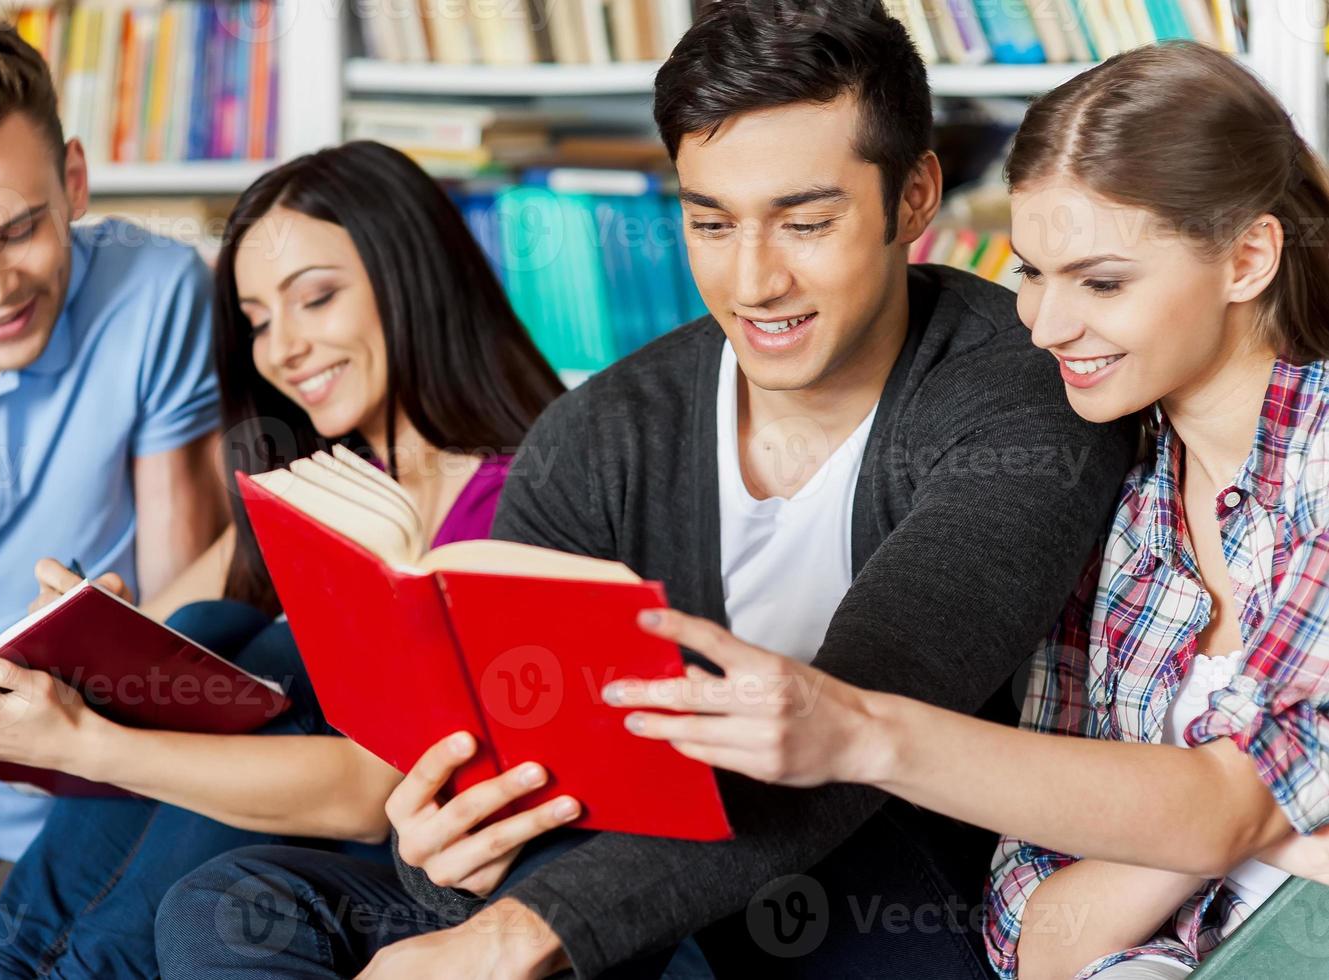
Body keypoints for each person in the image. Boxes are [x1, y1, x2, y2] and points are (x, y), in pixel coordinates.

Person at [153, 3, 1136, 977]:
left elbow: (860, 722)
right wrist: (450, 852)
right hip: (604, 864)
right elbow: (510, 754)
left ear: (915, 197)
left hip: (862, 883)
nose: (754, 282)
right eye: (711, 221)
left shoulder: (1024, 389)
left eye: (805, 221)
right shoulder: (603, 431)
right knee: (234, 903)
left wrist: (509, 934)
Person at [598, 41, 1329, 980]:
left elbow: (1228, 803)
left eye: (1101, 281)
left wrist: (857, 731)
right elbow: (1032, 936)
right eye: (1031, 272)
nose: (1045, 324)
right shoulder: (1119, 488)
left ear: (1247, 258)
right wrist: (1236, 839)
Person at [0, 139, 566, 979]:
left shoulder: (531, 496)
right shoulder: (327, 482)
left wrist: (82, 743)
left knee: (283, 656)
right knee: (213, 627)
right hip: (131, 895)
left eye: (314, 299)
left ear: (414, 279)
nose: (282, 349)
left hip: (387, 870)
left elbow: (372, 791)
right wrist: (74, 647)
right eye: (256, 321)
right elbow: (169, 627)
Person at [0, 16, 225, 977]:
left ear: (73, 179)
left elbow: (187, 615)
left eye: (19, 228)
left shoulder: (152, 289)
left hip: (42, 798)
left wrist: (112, 652)